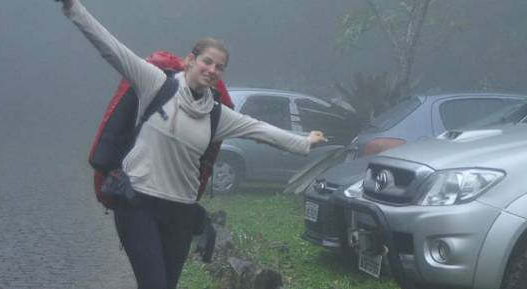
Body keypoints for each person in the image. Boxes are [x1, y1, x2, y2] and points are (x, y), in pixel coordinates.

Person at [58, 1, 328, 288]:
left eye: (220, 67)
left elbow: (261, 130)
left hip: (181, 214)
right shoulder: (156, 84)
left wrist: (305, 142)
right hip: (137, 204)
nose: (212, 70)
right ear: (190, 60)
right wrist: (73, 8)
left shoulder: (216, 114)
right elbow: (111, 48)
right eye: (207, 61)